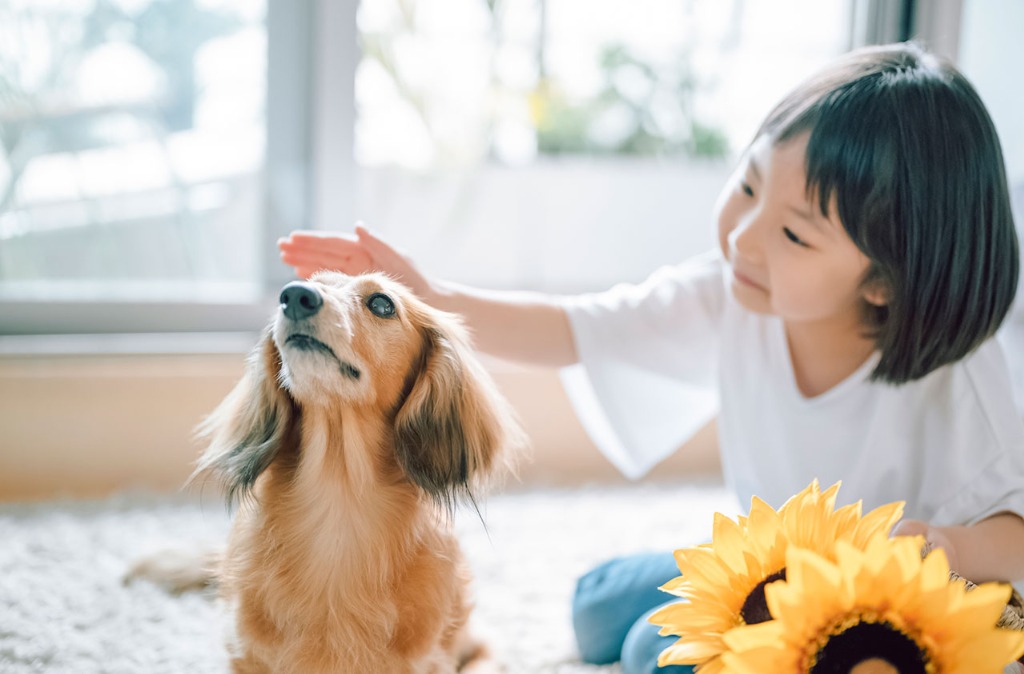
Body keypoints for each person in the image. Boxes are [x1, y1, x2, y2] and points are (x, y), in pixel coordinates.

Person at [278, 43, 1024, 674]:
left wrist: (945, 544)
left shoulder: (974, 382)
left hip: (887, 615)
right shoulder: (737, 291)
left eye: (795, 235)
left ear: (886, 281)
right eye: (749, 185)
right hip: (781, 566)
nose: (744, 238)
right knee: (596, 604)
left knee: (646, 649)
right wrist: (430, 294)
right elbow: (583, 327)